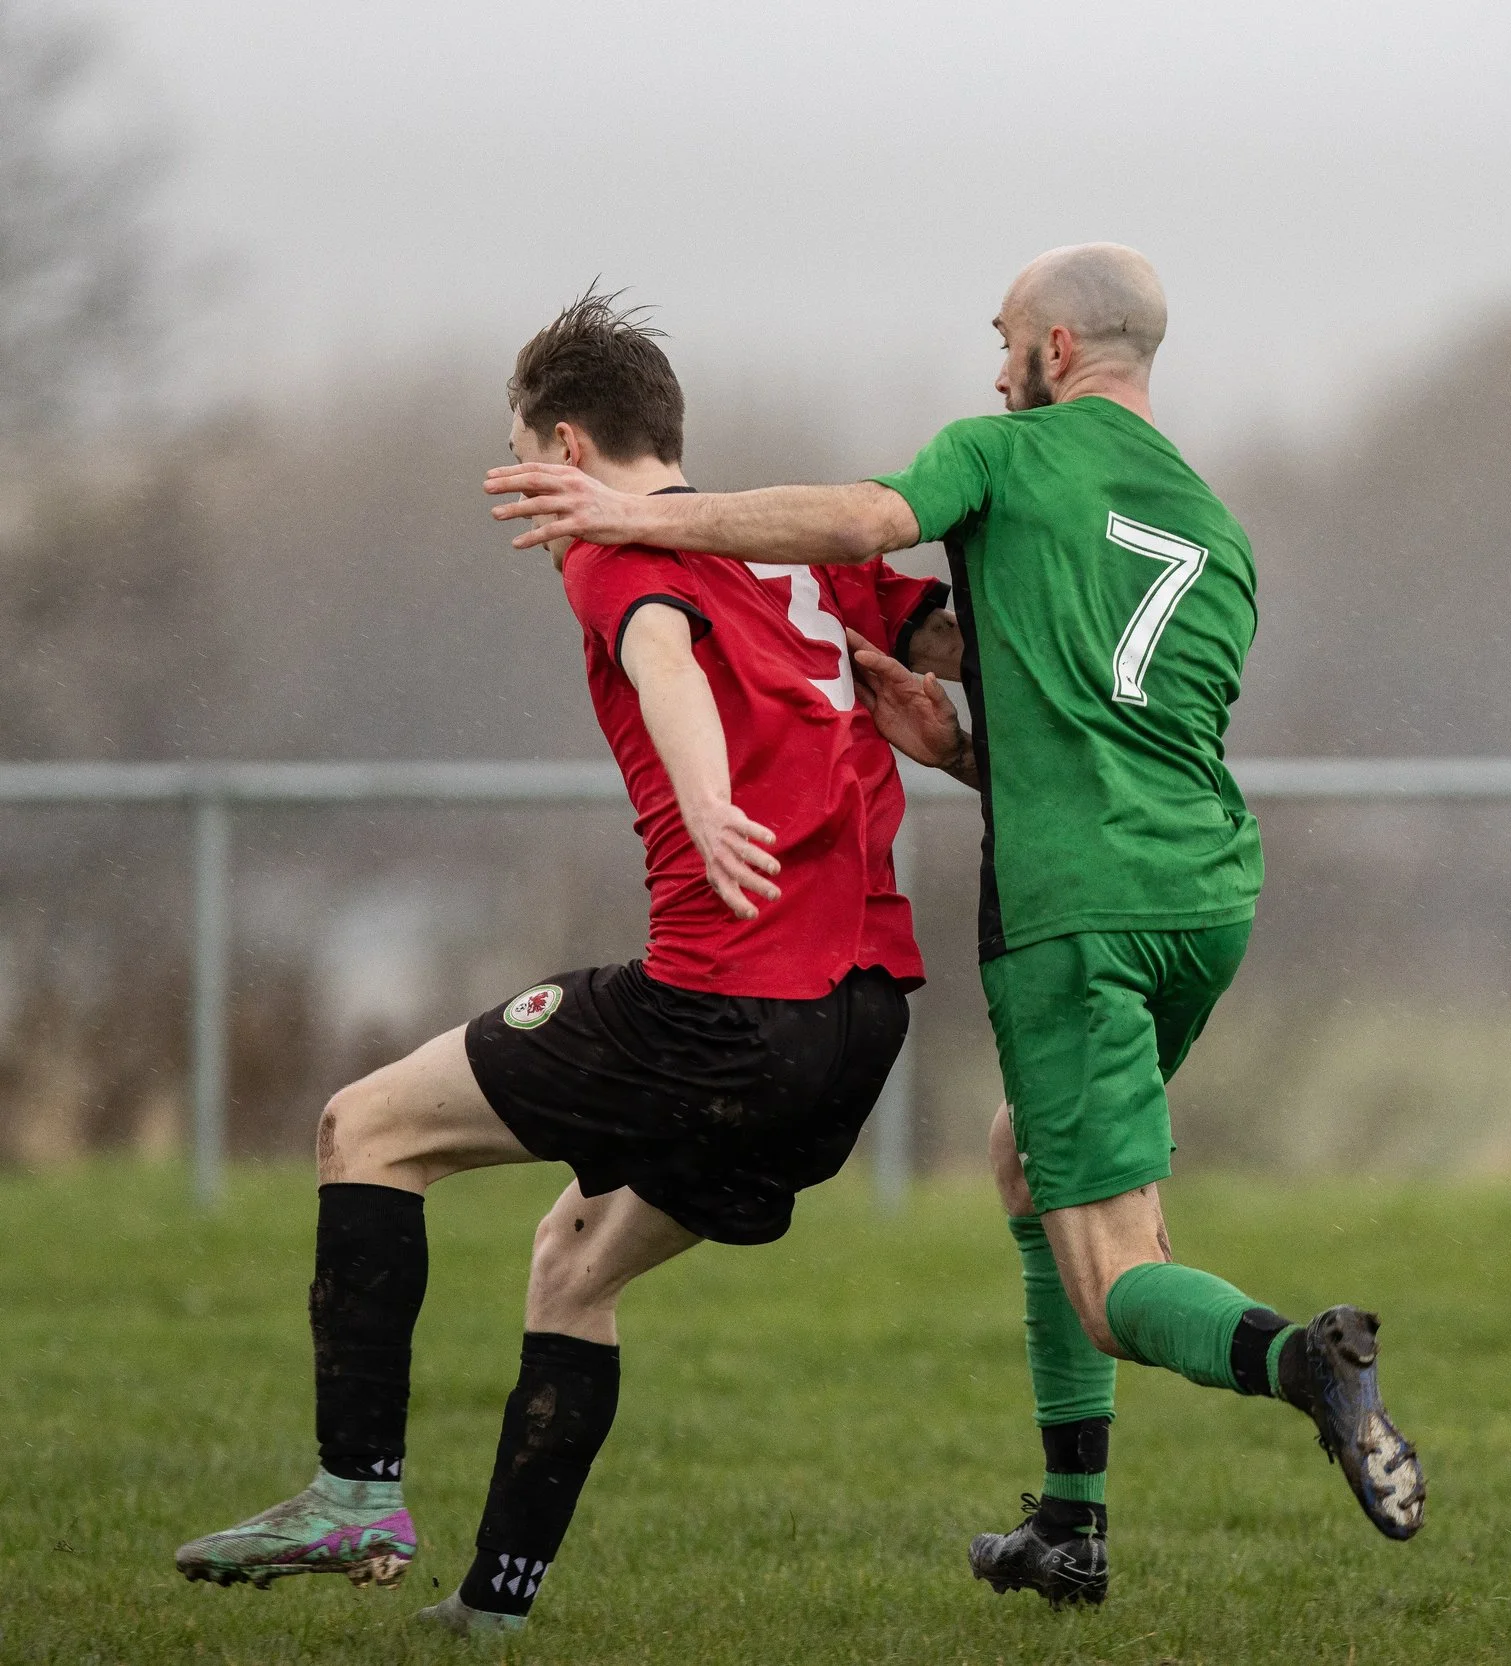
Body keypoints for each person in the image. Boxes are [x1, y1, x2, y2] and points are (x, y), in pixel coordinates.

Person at [483, 244, 1426, 1610]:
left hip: (1078, 918)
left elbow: (863, 521)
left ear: (1057, 352)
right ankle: (1070, 1525)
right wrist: (963, 753)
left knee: (1111, 1275)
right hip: (1209, 893)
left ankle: (1306, 1362)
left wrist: (640, 518)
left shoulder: (1002, 453)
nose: (994, 369)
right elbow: (1126, 747)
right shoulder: (1219, 535)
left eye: (1004, 339)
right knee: (1024, 1153)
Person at [174, 292, 957, 1637]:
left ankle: (354, 1492)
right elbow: (952, 641)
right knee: (575, 1264)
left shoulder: (606, 542)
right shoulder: (796, 558)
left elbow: (662, 655)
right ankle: (491, 1612)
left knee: (365, 1129)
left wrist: (706, 799)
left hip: (720, 1005)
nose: (529, 487)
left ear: (571, 447)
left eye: (524, 454)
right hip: (861, 1027)